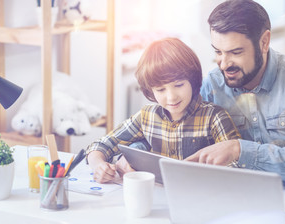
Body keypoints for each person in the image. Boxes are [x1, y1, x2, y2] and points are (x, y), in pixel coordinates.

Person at [185, 0, 285, 193]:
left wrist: (238, 150)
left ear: (264, 42)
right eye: (218, 52)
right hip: (252, 197)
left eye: (235, 52)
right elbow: (179, 131)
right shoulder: (213, 84)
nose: (224, 64)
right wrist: (138, 155)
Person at [86, 38, 241, 183]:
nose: (171, 97)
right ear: (150, 90)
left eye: (179, 85)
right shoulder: (147, 116)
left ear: (192, 80)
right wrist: (98, 165)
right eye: (160, 90)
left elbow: (238, 169)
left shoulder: (214, 117)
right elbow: (101, 145)